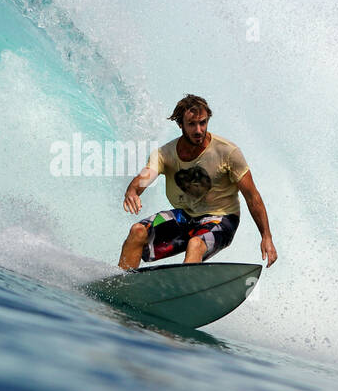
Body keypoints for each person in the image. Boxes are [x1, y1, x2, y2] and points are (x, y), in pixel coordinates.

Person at [118, 94, 277, 270]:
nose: (199, 130)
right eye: (192, 124)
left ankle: (184, 291)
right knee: (137, 231)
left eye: (203, 122)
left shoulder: (227, 152)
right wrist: (132, 191)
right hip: (185, 216)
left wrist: (266, 236)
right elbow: (145, 177)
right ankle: (121, 286)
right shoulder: (164, 154)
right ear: (180, 125)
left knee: (195, 244)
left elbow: (252, 197)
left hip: (221, 218)